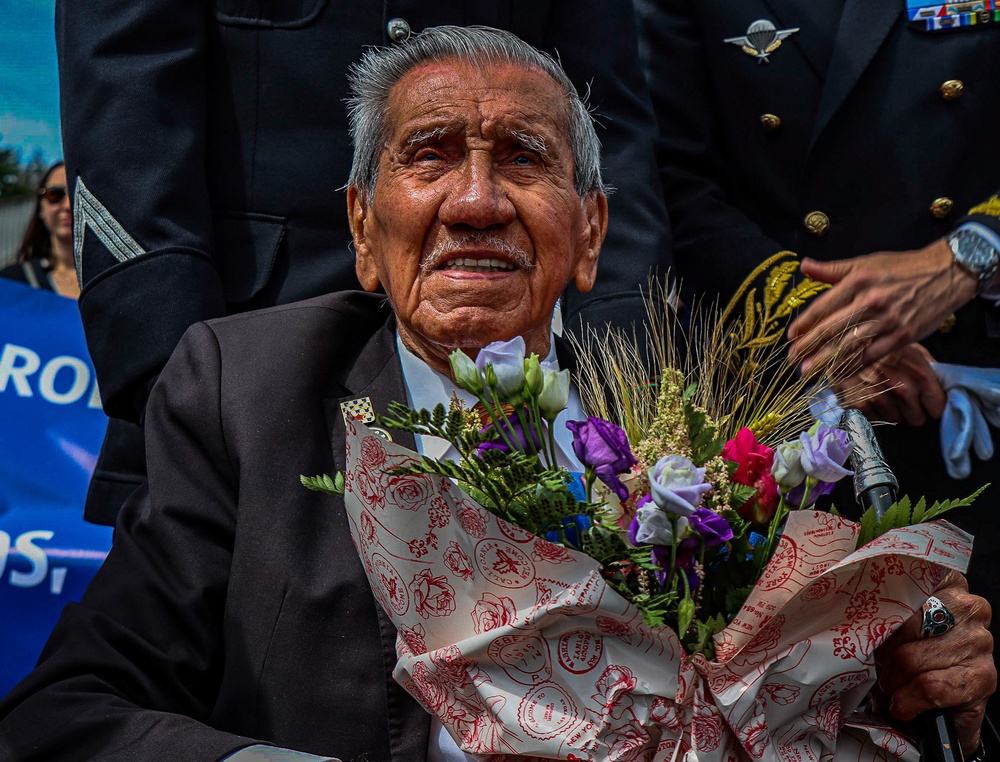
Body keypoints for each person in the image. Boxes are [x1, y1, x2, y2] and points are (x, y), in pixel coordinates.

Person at [0, 26, 993, 762]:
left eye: (523, 158)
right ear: (359, 227)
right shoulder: (248, 403)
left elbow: (839, 704)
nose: (475, 203)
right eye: (428, 155)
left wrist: (903, 672)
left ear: (592, 232)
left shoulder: (711, 441)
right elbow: (66, 716)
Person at [56, 0, 672, 527]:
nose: (474, 201)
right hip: (244, 368)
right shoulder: (213, 408)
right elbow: (125, 104)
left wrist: (627, 407)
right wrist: (191, 406)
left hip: (511, 414)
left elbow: (605, 129)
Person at [634, 0, 1000, 694]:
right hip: (788, 429)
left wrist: (966, 257)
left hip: (977, 412)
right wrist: (836, 329)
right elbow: (664, 174)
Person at [0, 162, 79, 299]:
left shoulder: (118, 281)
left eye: (76, 195)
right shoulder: (12, 283)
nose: (67, 205)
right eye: (54, 194)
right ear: (41, 209)